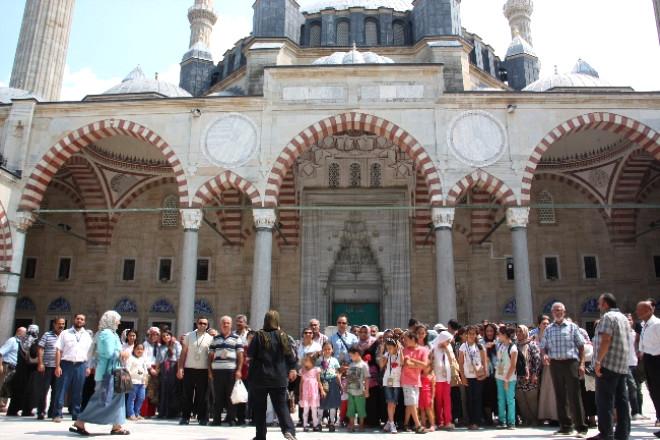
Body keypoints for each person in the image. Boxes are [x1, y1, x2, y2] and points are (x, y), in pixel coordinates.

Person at [69, 310, 130, 436]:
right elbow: (107, 353)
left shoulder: (112, 334)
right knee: (102, 399)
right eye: (117, 320)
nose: (119, 322)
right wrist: (122, 354)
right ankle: (80, 422)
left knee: (117, 399)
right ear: (111, 320)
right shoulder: (106, 334)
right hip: (108, 373)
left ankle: (116, 426)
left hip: (115, 371)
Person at [247, 310, 297, 440]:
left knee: (260, 408)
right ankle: (289, 430)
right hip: (278, 377)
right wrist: (292, 368)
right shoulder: (282, 335)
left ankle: (260, 436)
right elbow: (289, 355)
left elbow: (250, 354)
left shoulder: (258, 335)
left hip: (260, 378)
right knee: (281, 406)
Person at [541, 302, 588, 437]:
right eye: (555, 310)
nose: (558, 312)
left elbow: (581, 346)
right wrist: (544, 354)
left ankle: (581, 427)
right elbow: (543, 346)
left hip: (571, 363)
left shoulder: (572, 327)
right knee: (560, 395)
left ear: (564, 312)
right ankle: (565, 426)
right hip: (555, 364)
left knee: (574, 396)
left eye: (560, 310)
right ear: (552, 313)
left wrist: (582, 364)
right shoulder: (549, 329)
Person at [591, 293, 630, 440]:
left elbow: (606, 339)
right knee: (622, 401)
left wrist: (598, 361)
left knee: (605, 401)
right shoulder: (624, 318)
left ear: (606, 304)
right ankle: (623, 433)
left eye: (600, 303)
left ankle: (606, 433)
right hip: (621, 365)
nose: (598, 306)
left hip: (608, 364)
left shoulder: (607, 317)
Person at [53, 314, 93, 423]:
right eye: (78, 319)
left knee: (78, 391)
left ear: (84, 322)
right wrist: (57, 366)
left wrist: (88, 367)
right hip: (66, 364)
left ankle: (76, 414)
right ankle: (57, 414)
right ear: (74, 320)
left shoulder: (87, 335)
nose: (79, 321)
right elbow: (58, 350)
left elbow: (90, 353)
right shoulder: (65, 333)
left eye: (82, 319)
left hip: (81, 365)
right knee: (61, 390)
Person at [177, 316, 213, 426]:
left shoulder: (210, 338)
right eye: (200, 323)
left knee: (202, 396)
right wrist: (180, 368)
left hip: (203, 370)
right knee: (187, 394)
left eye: (205, 324)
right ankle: (185, 417)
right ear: (196, 324)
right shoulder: (189, 336)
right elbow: (183, 353)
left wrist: (211, 371)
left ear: (207, 326)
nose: (202, 325)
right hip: (189, 369)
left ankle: (202, 418)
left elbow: (211, 356)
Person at [209, 315, 243, 426]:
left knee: (231, 396)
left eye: (227, 323)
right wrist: (210, 371)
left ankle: (231, 419)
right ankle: (216, 419)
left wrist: (239, 370)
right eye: (223, 322)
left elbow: (240, 356)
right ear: (220, 324)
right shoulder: (215, 339)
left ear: (231, 324)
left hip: (231, 371)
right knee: (218, 397)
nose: (225, 325)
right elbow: (210, 356)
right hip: (217, 372)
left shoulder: (236, 338)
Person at [637, 300, 660, 438]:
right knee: (654, 392)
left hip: (657, 359)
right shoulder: (644, 325)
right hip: (649, 360)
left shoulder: (657, 324)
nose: (638, 313)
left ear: (650, 310)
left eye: (640, 311)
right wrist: (641, 351)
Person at [459, 325, 488, 430]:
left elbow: (485, 362)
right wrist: (463, 377)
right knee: (469, 399)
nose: (471, 335)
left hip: (478, 376)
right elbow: (460, 363)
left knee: (477, 399)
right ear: (466, 334)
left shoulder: (480, 346)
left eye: (473, 333)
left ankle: (477, 421)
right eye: (469, 333)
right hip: (467, 376)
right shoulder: (463, 346)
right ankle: (471, 421)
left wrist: (485, 374)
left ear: (476, 334)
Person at [34, 318, 65, 420]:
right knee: (44, 390)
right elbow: (40, 348)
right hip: (47, 367)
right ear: (54, 324)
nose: (61, 326)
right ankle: (41, 412)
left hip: (59, 368)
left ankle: (52, 412)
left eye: (63, 324)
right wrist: (40, 363)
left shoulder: (65, 336)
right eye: (59, 324)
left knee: (56, 391)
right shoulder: (47, 335)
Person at [7, 324, 39, 417]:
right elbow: (33, 354)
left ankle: (13, 410)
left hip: (20, 369)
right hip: (30, 370)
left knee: (18, 390)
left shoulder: (21, 340)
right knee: (29, 390)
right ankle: (26, 410)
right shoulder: (34, 341)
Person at [401, 331, 428, 434]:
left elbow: (425, 365)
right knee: (412, 402)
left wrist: (413, 361)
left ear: (413, 339)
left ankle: (406, 424)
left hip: (416, 380)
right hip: (406, 379)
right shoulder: (404, 350)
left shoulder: (423, 350)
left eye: (406, 339)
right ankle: (418, 425)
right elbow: (406, 364)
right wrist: (417, 364)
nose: (404, 341)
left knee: (412, 403)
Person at [515, 324, 541, 426]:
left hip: (530, 377)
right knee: (521, 399)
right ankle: (526, 419)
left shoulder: (532, 344)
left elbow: (537, 360)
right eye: (517, 332)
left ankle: (535, 419)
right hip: (518, 377)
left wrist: (535, 374)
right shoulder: (515, 345)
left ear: (526, 332)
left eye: (521, 331)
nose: (518, 334)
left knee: (532, 399)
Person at [430, 330, 455, 431]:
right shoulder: (433, 347)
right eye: (447, 341)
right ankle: (440, 421)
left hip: (447, 377)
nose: (448, 343)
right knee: (438, 400)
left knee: (447, 400)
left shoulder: (449, 347)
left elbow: (452, 360)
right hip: (437, 377)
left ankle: (448, 421)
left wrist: (447, 350)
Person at [534, 315, 558, 423]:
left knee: (550, 391)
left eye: (548, 323)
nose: (546, 325)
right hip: (536, 366)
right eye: (544, 323)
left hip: (549, 366)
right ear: (539, 325)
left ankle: (553, 416)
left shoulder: (552, 335)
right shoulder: (534, 335)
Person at [495, 325, 517, 430]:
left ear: (504, 335)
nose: (498, 336)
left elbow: (513, 365)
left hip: (510, 378)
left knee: (510, 400)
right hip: (499, 376)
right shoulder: (501, 345)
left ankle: (511, 422)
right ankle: (501, 420)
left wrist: (507, 379)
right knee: (501, 399)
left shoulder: (513, 348)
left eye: (499, 334)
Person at [156, 329, 182, 419]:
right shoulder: (160, 347)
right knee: (163, 390)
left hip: (173, 367)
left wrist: (179, 369)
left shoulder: (176, 344)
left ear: (171, 336)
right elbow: (158, 359)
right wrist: (156, 369)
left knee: (173, 390)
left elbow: (179, 357)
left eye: (167, 335)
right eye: (163, 336)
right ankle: (162, 412)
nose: (166, 337)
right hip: (164, 368)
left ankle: (172, 412)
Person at [0, 327, 26, 412]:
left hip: (15, 367)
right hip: (8, 366)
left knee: (8, 386)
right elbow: (1, 352)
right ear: (19, 332)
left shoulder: (20, 343)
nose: (25, 335)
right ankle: (1, 405)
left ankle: (3, 405)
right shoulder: (12, 341)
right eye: (24, 333)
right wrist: (0, 365)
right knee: (4, 385)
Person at [380, 337, 402, 433]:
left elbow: (403, 362)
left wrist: (400, 349)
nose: (389, 349)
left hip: (397, 381)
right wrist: (382, 352)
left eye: (390, 348)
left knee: (394, 404)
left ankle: (389, 422)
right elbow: (381, 365)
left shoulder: (399, 354)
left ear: (395, 346)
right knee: (390, 402)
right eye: (387, 347)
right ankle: (392, 424)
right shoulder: (386, 354)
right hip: (387, 381)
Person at [318, 341, 341, 432]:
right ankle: (319, 422)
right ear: (322, 350)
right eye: (325, 349)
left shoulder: (335, 360)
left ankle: (331, 423)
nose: (327, 351)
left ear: (332, 350)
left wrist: (340, 385)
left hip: (333, 383)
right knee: (321, 404)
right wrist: (320, 385)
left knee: (333, 404)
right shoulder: (319, 360)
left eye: (329, 349)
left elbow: (337, 372)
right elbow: (317, 374)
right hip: (322, 382)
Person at [345, 346, 369, 433]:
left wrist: (367, 390)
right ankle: (351, 424)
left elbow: (366, 378)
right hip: (351, 391)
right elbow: (348, 377)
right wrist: (345, 386)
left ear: (357, 354)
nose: (350, 357)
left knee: (361, 409)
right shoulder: (351, 365)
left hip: (360, 392)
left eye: (351, 355)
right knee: (351, 408)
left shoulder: (364, 365)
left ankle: (361, 424)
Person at [299, 354, 324, 432]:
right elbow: (301, 383)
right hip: (305, 394)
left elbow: (319, 381)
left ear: (312, 361)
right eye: (304, 360)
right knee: (305, 410)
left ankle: (315, 425)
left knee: (314, 410)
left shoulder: (316, 370)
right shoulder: (302, 371)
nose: (305, 362)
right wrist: (300, 393)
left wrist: (322, 390)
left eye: (307, 360)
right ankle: (305, 425)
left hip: (314, 393)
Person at [125, 343, 149, 420]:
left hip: (142, 382)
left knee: (141, 398)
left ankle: (137, 413)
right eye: (138, 349)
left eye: (141, 349)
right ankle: (130, 414)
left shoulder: (143, 359)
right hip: (133, 382)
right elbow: (127, 369)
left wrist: (146, 379)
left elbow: (145, 371)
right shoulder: (130, 358)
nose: (139, 350)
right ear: (134, 349)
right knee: (132, 398)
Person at [141, 327, 160, 418]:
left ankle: (152, 412)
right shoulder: (145, 344)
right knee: (146, 391)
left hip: (157, 369)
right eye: (152, 334)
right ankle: (145, 412)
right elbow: (144, 358)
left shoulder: (158, 346)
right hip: (148, 369)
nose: (154, 336)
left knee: (154, 392)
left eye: (156, 334)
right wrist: (150, 369)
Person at [419, 364, 436, 431]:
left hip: (428, 395)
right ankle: (423, 425)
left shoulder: (431, 376)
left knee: (429, 410)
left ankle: (432, 425)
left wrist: (432, 398)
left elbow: (433, 388)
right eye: (424, 367)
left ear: (430, 368)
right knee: (422, 410)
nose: (425, 368)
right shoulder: (420, 376)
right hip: (421, 395)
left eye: (427, 367)